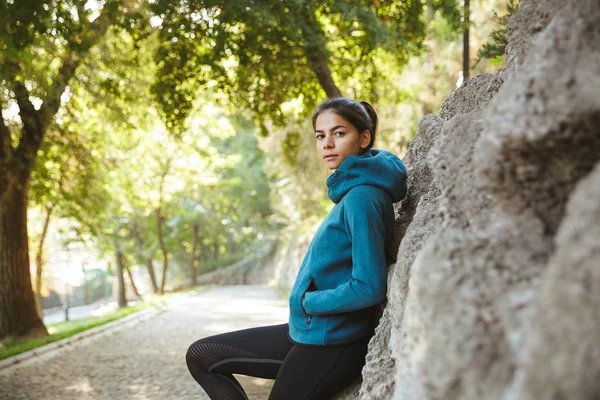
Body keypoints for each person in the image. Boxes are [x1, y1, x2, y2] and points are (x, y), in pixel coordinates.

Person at [186, 97, 408, 400]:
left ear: (364, 138)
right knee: (203, 356)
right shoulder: (352, 193)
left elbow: (369, 286)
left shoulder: (361, 198)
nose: (327, 144)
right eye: (321, 135)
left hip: (334, 343)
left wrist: (310, 303)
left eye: (339, 133)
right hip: (311, 332)